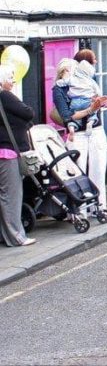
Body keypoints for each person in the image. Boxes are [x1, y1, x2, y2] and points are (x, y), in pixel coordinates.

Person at [66, 49, 107, 209]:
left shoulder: (92, 82)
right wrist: (90, 108)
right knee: (78, 172)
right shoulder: (70, 83)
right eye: (94, 59)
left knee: (98, 170)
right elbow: (67, 112)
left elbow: (96, 104)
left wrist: (103, 103)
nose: (96, 62)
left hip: (96, 130)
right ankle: (79, 211)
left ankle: (99, 206)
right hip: (77, 134)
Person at [0, 65, 36, 247]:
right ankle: (16, 237)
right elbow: (28, 112)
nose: (13, 81)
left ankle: (4, 235)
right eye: (10, 78)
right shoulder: (5, 95)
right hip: (7, 154)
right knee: (11, 196)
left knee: (3, 196)